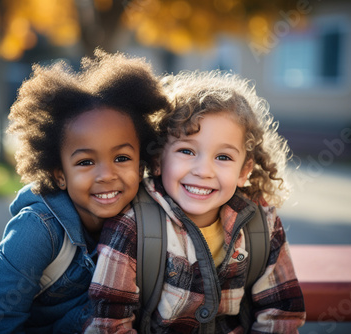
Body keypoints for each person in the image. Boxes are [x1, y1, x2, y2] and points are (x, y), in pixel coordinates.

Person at [85, 70, 306, 333]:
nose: (203, 171)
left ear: (245, 171)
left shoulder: (263, 226)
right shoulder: (132, 225)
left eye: (223, 157)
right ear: (157, 160)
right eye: (186, 151)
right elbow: (108, 323)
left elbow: (281, 313)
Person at [0, 49, 169, 334]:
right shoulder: (37, 230)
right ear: (60, 175)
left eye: (121, 158)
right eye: (86, 162)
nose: (106, 175)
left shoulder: (149, 219)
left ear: (140, 166)